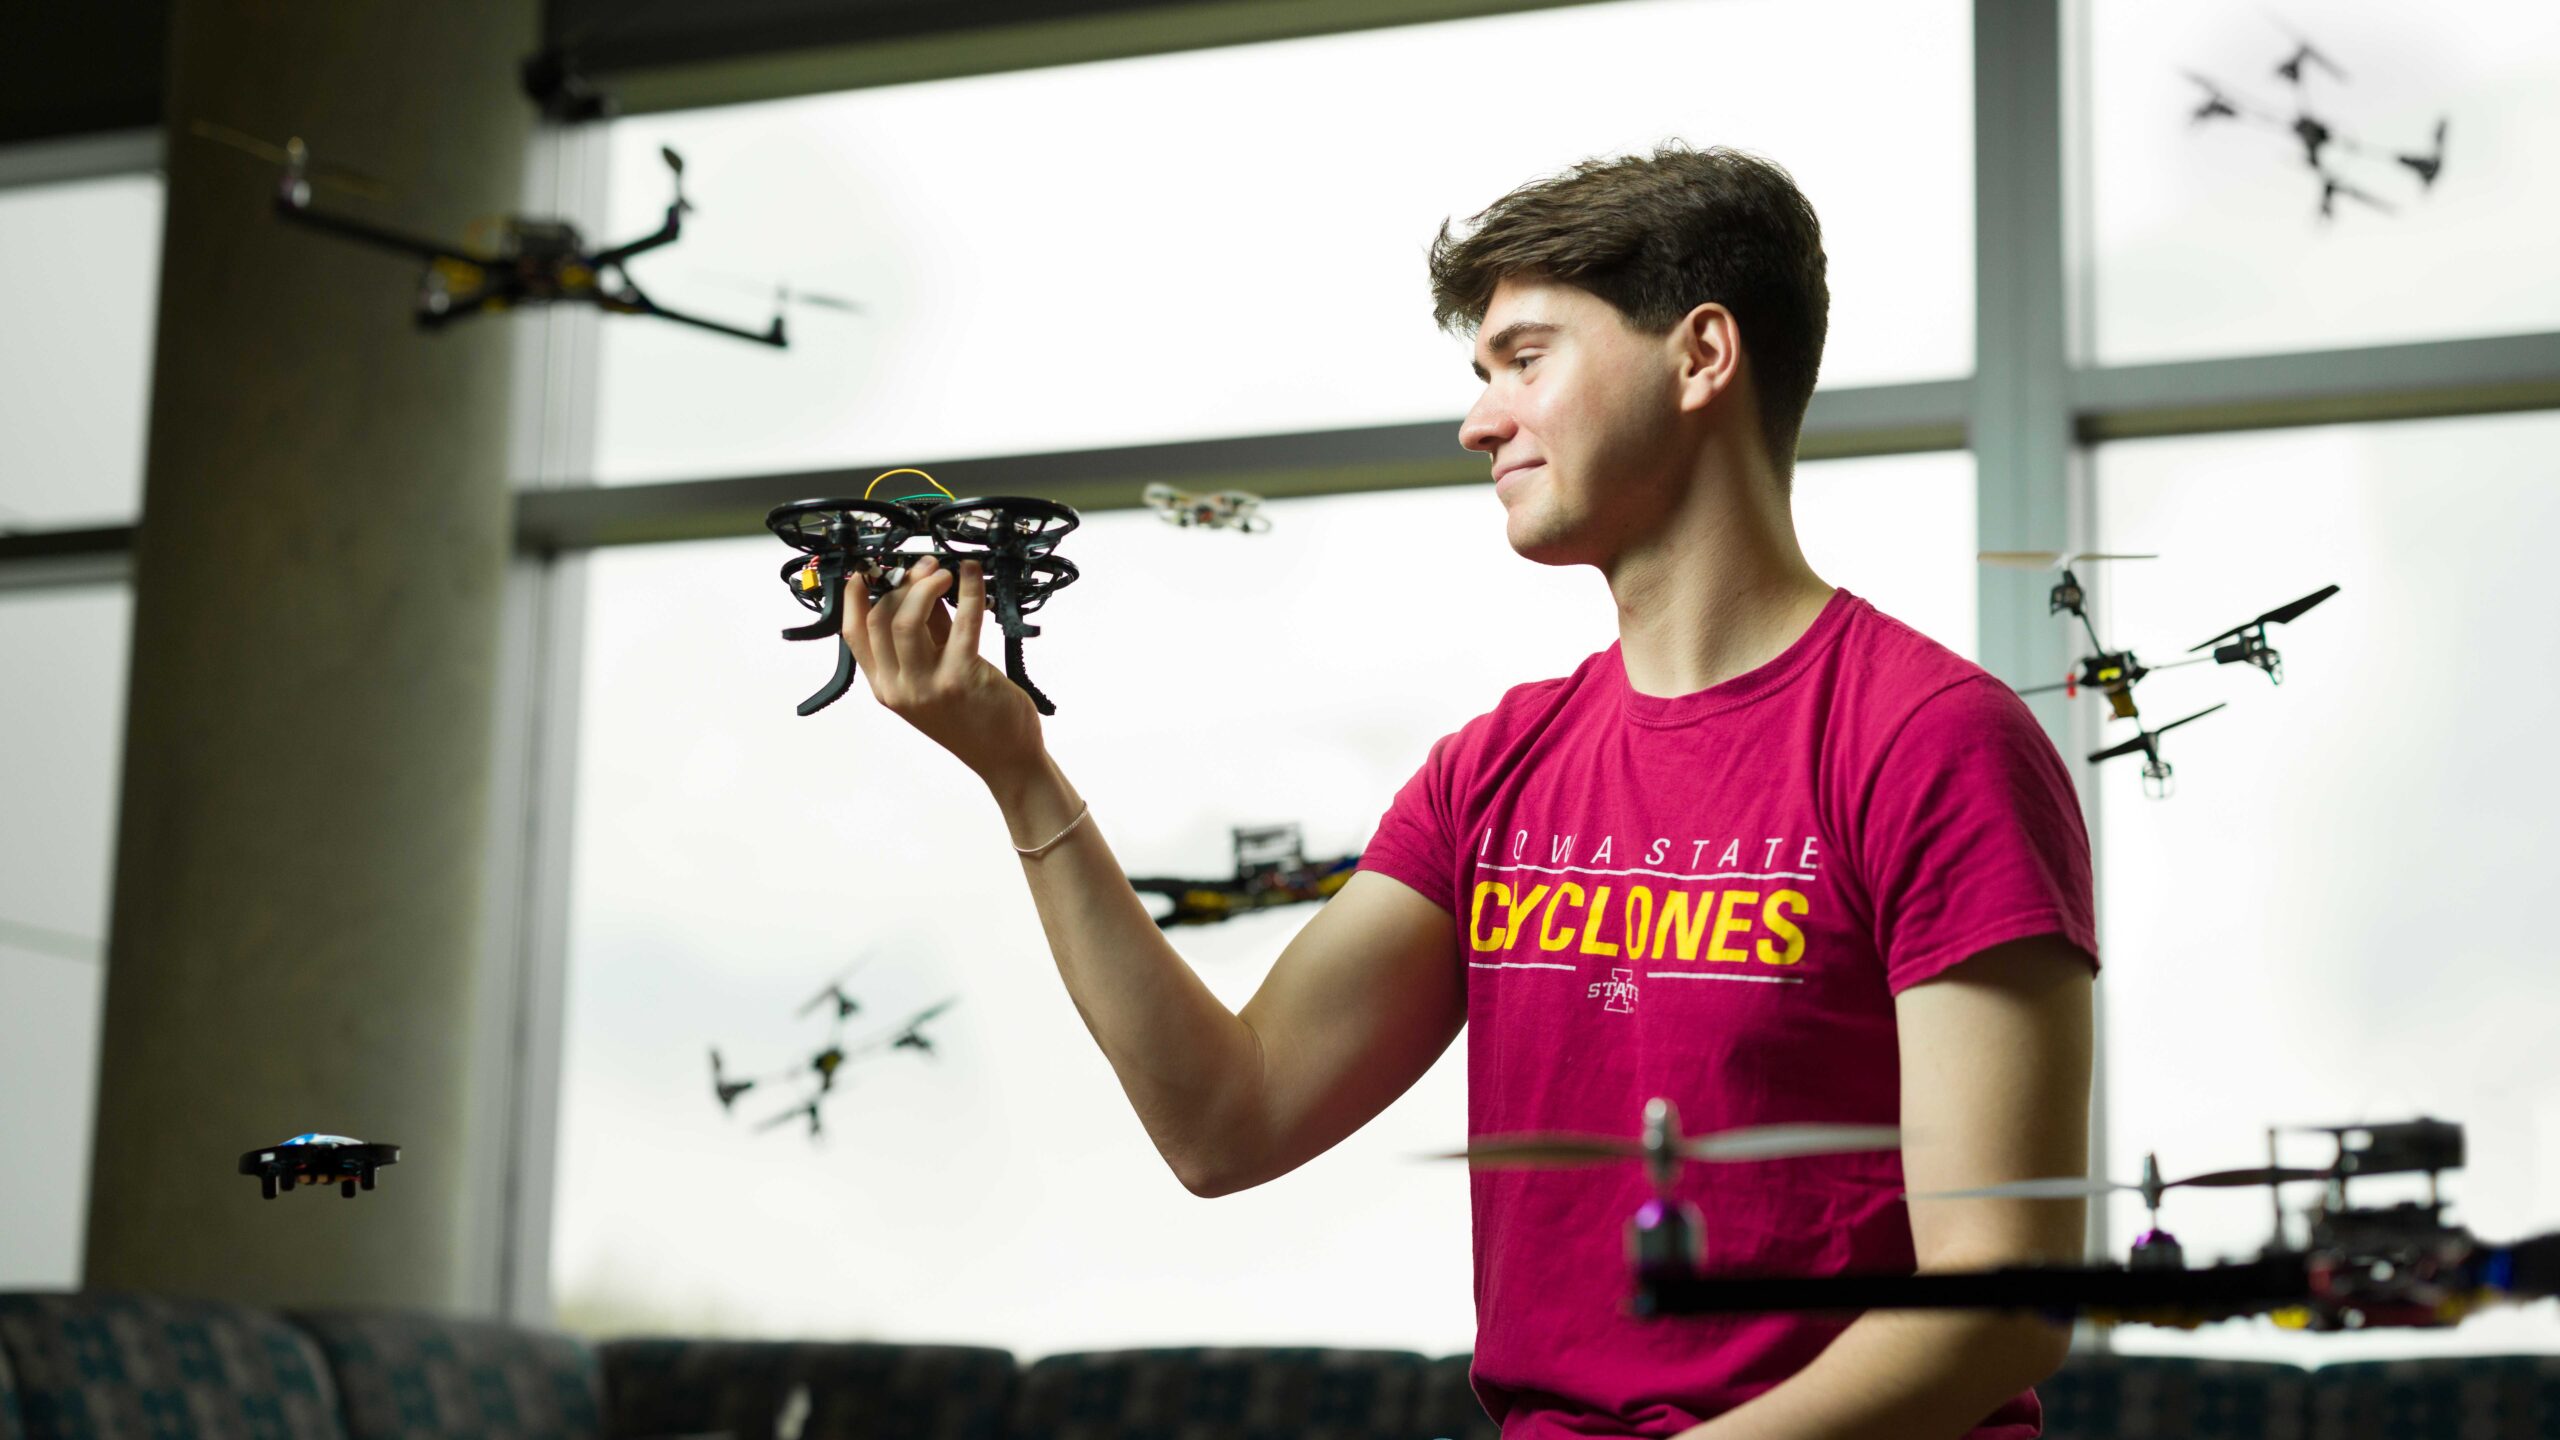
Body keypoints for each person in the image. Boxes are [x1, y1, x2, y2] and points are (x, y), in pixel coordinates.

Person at [839, 143, 2098, 1440]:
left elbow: (1999, 1303)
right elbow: (1227, 1117)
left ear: (1702, 357)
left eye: (1527, 359)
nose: (1481, 421)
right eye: (1482, 375)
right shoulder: (1492, 773)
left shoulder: (1936, 745)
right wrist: (1017, 771)